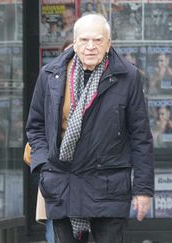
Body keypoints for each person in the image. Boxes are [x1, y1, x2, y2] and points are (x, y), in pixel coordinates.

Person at [26, 14, 154, 243]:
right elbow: (35, 127)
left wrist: (143, 189)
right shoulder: (50, 75)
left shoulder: (127, 76)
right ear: (74, 43)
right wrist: (45, 165)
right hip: (63, 183)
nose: (90, 47)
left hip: (109, 186)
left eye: (97, 40)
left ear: (108, 44)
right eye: (84, 40)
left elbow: (140, 136)